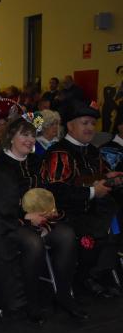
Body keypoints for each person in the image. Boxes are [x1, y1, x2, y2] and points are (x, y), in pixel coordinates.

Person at [0, 118, 86, 324]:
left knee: (67, 235)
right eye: (24, 134)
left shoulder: (34, 163)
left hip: (35, 219)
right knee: (32, 242)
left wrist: (48, 211)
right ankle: (30, 302)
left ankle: (63, 294)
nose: (30, 139)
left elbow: (44, 193)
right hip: (3, 224)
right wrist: (25, 217)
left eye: (32, 135)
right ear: (10, 138)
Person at [42, 101, 123, 297]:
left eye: (93, 124)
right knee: (101, 226)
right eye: (85, 123)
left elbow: (100, 177)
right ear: (70, 126)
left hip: (94, 209)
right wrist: (93, 192)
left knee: (114, 218)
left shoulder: (93, 151)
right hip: (67, 213)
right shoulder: (59, 153)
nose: (90, 128)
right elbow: (56, 191)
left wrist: (110, 179)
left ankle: (97, 273)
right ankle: (85, 277)